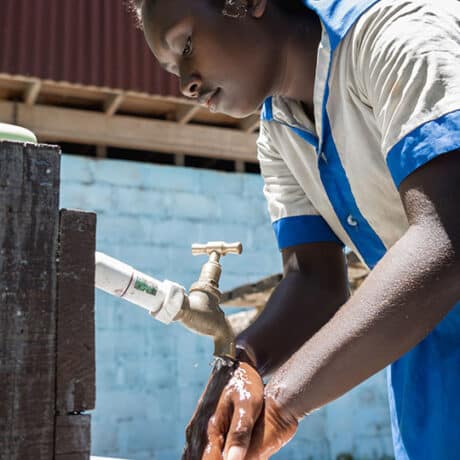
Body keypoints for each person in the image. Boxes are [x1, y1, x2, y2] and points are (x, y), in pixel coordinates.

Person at [130, 0, 460, 458]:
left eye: (185, 45)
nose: (186, 83)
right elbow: (314, 281)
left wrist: (282, 402)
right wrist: (241, 361)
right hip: (432, 365)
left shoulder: (397, 39)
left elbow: (447, 239)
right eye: (170, 69)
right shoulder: (280, 129)